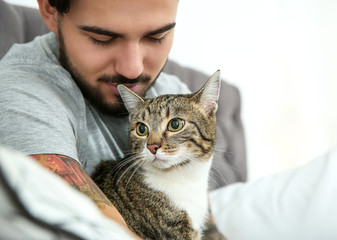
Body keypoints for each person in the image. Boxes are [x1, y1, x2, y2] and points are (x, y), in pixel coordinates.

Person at [0, 0, 225, 239]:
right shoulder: (21, 94)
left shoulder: (171, 89)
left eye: (157, 36)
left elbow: (207, 230)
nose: (132, 70)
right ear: (50, 10)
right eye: (102, 38)